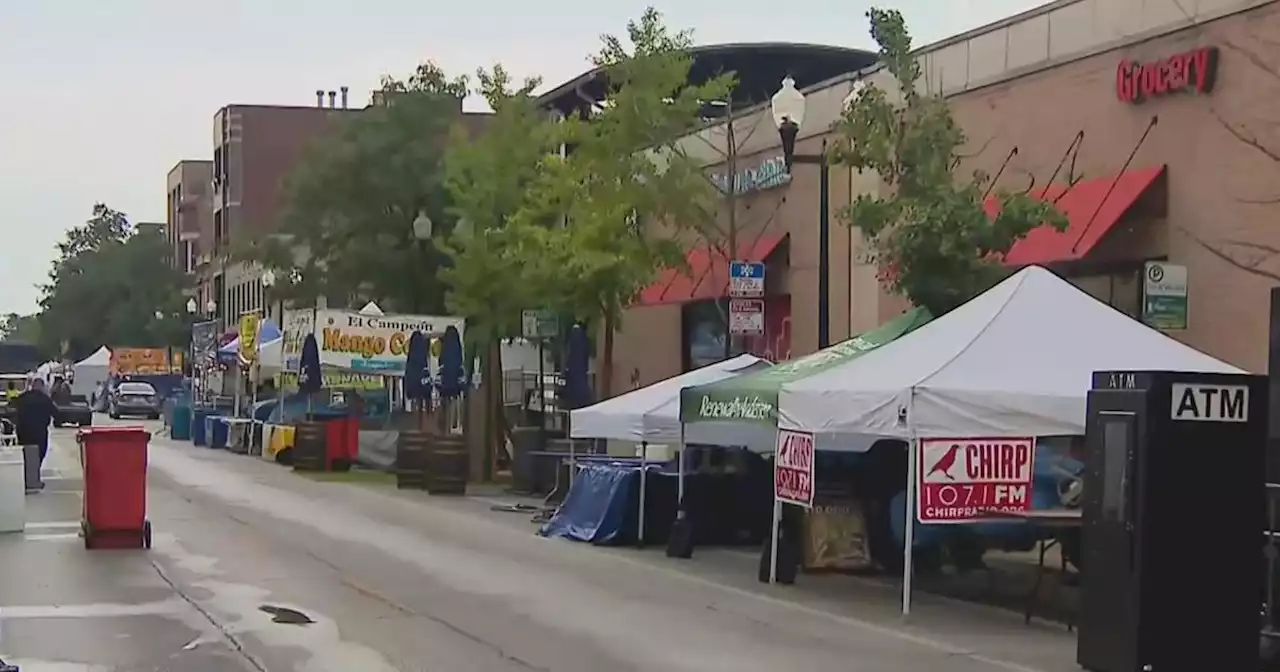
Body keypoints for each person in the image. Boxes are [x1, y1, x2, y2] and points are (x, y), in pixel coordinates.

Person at [13, 378, 57, 489]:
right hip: (40, 432)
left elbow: (12, 407)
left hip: (23, 431)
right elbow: (56, 412)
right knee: (39, 454)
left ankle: (27, 477)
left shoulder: (23, 397)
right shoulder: (45, 399)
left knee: (26, 454)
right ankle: (34, 478)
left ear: (32, 386)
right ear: (41, 387)